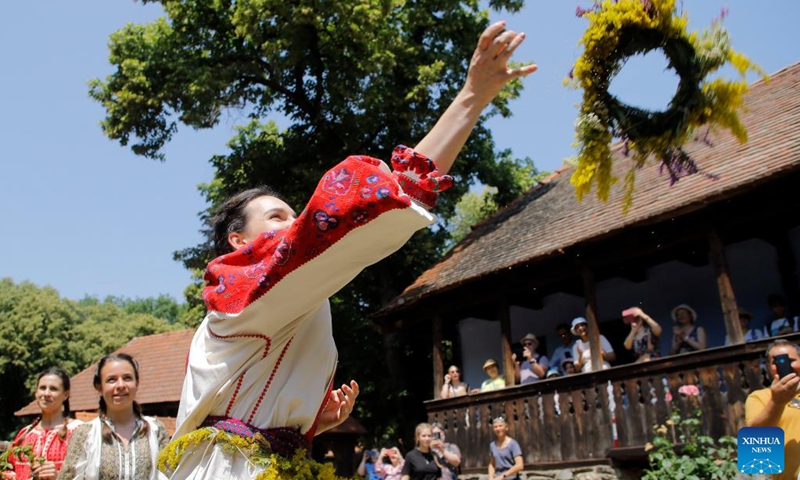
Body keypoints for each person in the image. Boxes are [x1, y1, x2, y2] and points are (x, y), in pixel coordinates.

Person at [160, 21, 537, 480]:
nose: (296, 226)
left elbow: (248, 406)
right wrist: (470, 97)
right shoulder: (242, 292)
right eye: (278, 217)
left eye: (296, 217)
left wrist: (310, 422)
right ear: (239, 243)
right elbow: (364, 210)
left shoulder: (291, 300)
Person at [58, 353, 169, 480]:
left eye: (127, 378)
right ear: (99, 387)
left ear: (137, 383)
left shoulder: (156, 430)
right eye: (112, 380)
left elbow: (169, 475)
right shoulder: (85, 434)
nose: (120, 385)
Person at [6, 368, 83, 480]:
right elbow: (11, 469)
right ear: (36, 393)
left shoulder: (80, 432)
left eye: (53, 389)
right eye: (42, 388)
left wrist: (59, 477)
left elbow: (93, 474)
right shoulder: (25, 434)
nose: (46, 393)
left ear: (65, 395)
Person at [744, 339, 800, 480]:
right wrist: (777, 402)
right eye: (776, 362)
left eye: (791, 360)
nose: (784, 365)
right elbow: (756, 447)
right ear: (768, 367)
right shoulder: (760, 397)